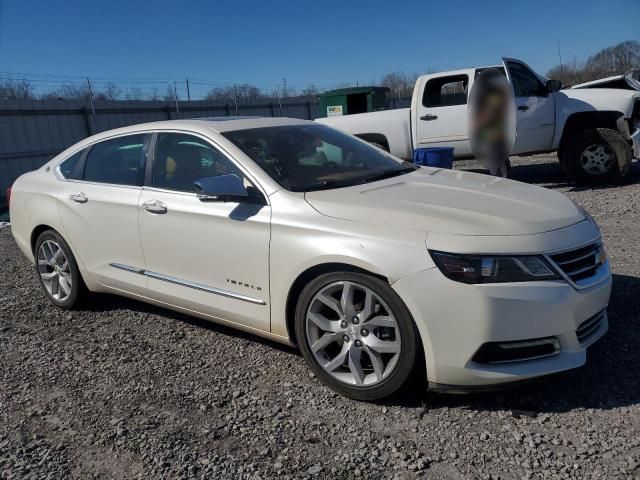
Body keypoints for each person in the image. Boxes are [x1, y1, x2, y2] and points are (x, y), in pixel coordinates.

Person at [469, 68, 514, 177]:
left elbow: (489, 114)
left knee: (495, 162)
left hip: (492, 133)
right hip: (497, 132)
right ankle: (505, 180)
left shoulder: (489, 94)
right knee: (500, 160)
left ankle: (502, 184)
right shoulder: (496, 92)